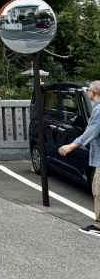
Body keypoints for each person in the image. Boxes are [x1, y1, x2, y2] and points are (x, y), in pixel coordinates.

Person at [58, 80, 100, 237]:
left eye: (88, 89)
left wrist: (70, 146)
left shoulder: (98, 110)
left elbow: (90, 132)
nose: (87, 92)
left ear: (94, 92)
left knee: (98, 190)